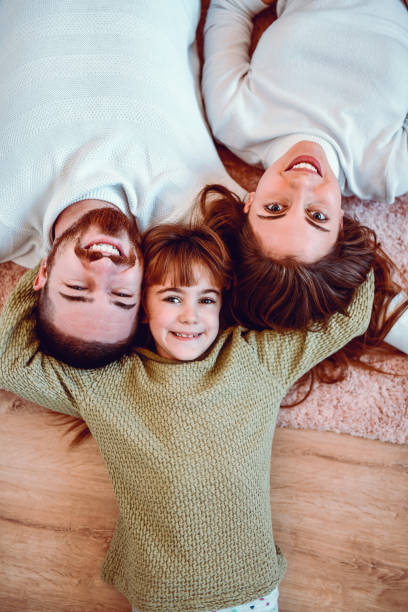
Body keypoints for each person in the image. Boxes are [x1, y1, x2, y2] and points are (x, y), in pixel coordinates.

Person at [0, 222, 375, 612]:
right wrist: (50, 269)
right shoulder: (108, 383)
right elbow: (10, 364)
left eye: (207, 300)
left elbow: (347, 319)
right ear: (141, 307)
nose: (191, 317)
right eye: (172, 299)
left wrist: (336, 229)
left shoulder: (256, 358)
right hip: (163, 597)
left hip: (249, 591)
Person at [0, 0, 244, 364]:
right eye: (121, 296)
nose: (104, 268)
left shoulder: (7, 218)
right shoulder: (194, 207)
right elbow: (298, 270)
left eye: (77, 288)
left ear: (44, 273)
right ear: (144, 292)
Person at [198, 0, 408, 380]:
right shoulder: (389, 170)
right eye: (317, 216)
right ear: (342, 223)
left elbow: (228, 8)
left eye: (275, 208)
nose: (302, 184)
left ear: (249, 202)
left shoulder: (234, 119)